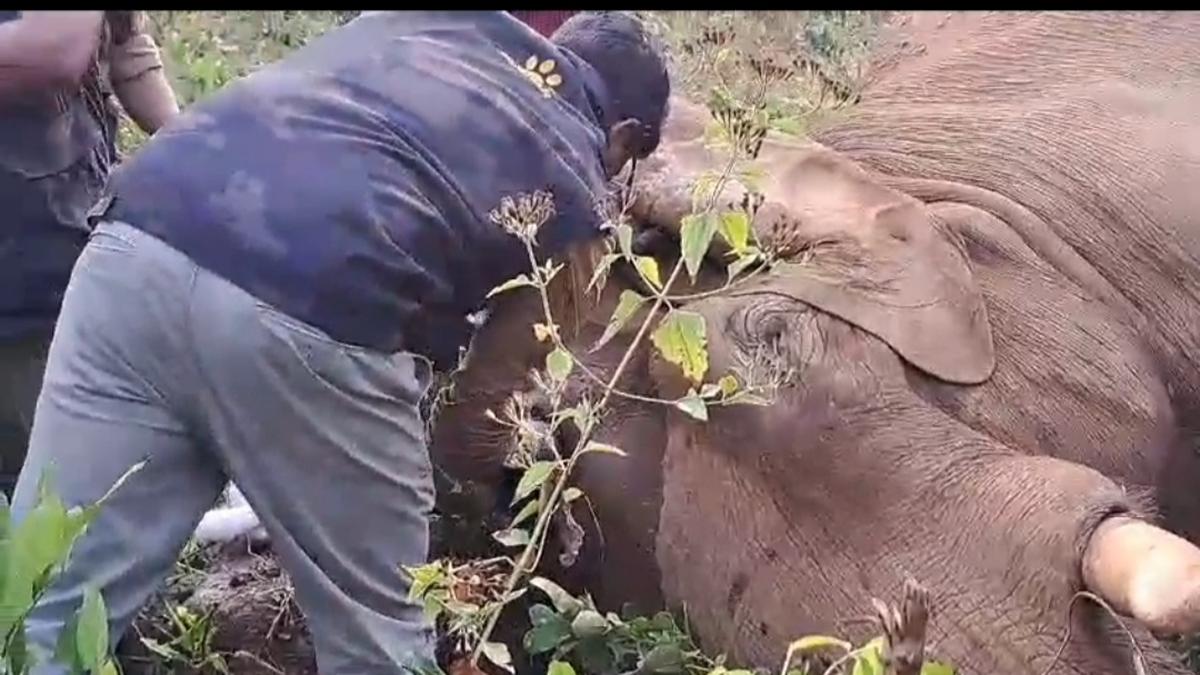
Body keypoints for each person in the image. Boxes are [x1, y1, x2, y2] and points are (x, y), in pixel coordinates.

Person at [11, 10, 669, 675]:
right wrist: (499, 500)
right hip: (313, 310)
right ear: (625, 136)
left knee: (44, 604)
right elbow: (475, 420)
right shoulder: (580, 188)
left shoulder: (429, 25)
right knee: (379, 644)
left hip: (133, 246)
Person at [0, 11, 178, 496]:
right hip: (19, 275)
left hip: (67, 232)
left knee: (64, 487)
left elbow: (122, 41)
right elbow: (52, 50)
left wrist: (188, 143)